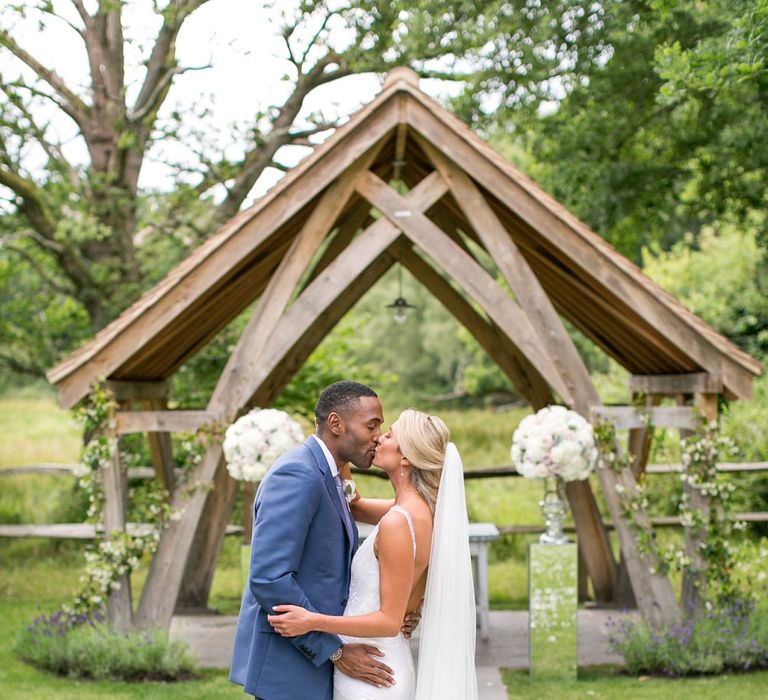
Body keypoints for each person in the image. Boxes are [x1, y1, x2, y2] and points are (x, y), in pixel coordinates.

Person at [268, 409, 478, 700]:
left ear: (405, 457)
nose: (379, 437)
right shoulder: (420, 512)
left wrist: (311, 620)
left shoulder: (397, 522)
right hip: (382, 663)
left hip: (372, 672)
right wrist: (342, 450)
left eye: (389, 435)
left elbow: (389, 621)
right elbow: (356, 505)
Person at [230, 381, 415, 699]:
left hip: (315, 663)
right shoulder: (297, 475)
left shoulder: (330, 473)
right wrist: (336, 652)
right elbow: (270, 580)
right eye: (371, 425)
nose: (377, 436)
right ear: (336, 423)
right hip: (289, 667)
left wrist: (404, 607)